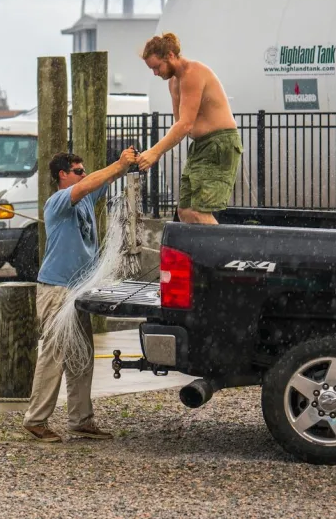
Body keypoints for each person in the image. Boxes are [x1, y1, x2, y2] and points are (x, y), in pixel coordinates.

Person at [23, 147, 137, 442]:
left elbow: (102, 180)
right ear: (62, 175)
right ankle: (36, 420)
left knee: (82, 355)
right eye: (78, 171)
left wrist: (131, 163)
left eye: (84, 171)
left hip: (78, 291)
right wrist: (118, 164)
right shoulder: (58, 201)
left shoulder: (85, 198)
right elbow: (90, 183)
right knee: (54, 354)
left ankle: (81, 420)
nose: (84, 175)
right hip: (57, 290)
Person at [136, 32, 242, 224]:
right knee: (185, 211)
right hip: (201, 146)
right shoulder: (173, 82)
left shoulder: (193, 73)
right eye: (152, 69)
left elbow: (185, 124)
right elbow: (179, 125)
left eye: (157, 67)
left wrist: (155, 152)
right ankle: (201, 245)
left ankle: (220, 245)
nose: (155, 73)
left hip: (220, 143)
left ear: (170, 55)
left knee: (198, 212)